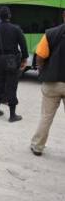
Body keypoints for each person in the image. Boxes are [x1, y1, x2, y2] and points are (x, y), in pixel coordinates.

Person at [0, 6, 29, 122]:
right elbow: (23, 45)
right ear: (9, 16)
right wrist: (24, 59)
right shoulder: (16, 29)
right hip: (12, 61)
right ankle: (12, 115)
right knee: (11, 86)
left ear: (0, 17)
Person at [30, 11, 65, 156]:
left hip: (52, 82)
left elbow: (40, 56)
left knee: (46, 116)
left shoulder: (50, 33)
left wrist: (42, 69)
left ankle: (37, 146)